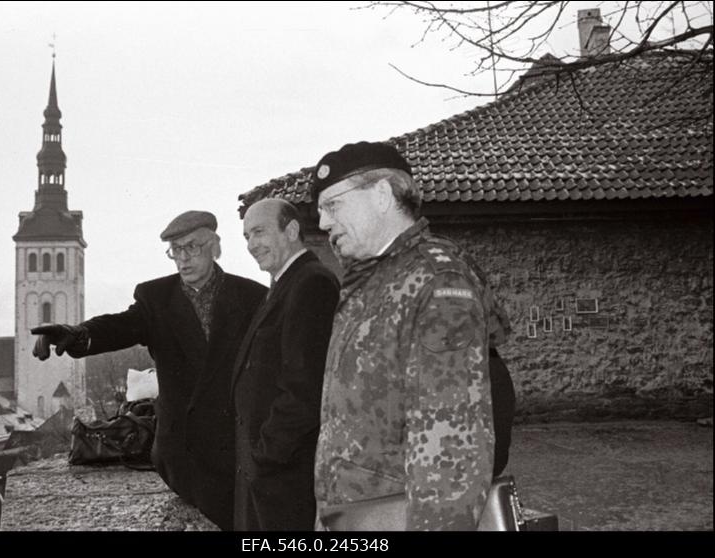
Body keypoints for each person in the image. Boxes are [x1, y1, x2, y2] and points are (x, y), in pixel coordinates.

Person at [311, 141, 512, 531]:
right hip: (354, 515)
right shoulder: (372, 279)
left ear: (382, 195)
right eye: (320, 210)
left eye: (332, 205)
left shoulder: (436, 282)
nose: (322, 222)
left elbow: (450, 452)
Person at [31, 210, 267, 531]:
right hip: (185, 454)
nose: (183, 258)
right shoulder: (156, 298)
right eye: (176, 250)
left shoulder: (252, 296)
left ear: (215, 246)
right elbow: (120, 326)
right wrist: (78, 334)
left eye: (192, 247)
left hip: (240, 449)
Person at [232, 198, 339, 530]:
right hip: (270, 474)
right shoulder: (285, 284)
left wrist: (266, 458)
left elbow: (304, 388)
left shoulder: (311, 283)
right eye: (247, 236)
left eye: (259, 232)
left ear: (291, 230)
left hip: (285, 477)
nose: (251, 245)